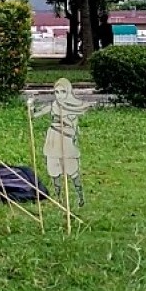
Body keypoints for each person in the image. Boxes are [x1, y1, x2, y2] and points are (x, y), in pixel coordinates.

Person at [28, 77, 91, 207]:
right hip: (53, 138)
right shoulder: (53, 105)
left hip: (66, 141)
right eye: (56, 92)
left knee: (72, 170)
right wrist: (30, 106)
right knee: (54, 169)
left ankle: (80, 197)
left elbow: (74, 130)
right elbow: (34, 115)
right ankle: (58, 198)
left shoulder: (72, 108)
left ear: (68, 92)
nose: (59, 95)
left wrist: (65, 120)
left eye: (62, 92)